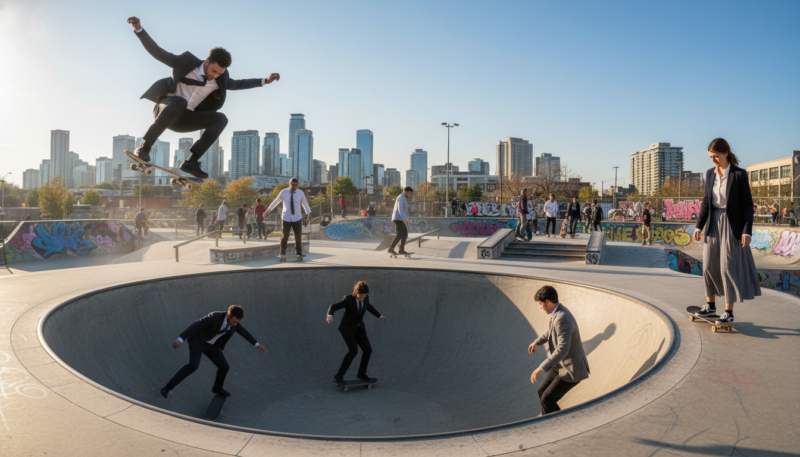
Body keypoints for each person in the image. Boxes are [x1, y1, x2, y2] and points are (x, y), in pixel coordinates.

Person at [126, 16, 280, 179]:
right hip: (165, 109)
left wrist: (265, 81)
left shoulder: (220, 79)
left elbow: (238, 84)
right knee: (180, 101)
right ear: (207, 62)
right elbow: (157, 52)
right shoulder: (185, 62)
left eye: (219, 73)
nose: (215, 76)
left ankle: (191, 162)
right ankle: (144, 147)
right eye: (214, 71)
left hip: (184, 120)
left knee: (221, 119)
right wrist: (139, 30)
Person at [693, 138, 761, 324]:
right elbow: (706, 202)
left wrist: (747, 231)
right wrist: (699, 225)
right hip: (713, 223)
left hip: (732, 225)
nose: (713, 160)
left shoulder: (739, 174)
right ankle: (710, 306)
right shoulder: (710, 174)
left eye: (716, 156)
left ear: (726, 153)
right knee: (708, 265)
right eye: (710, 157)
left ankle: (728, 312)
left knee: (727, 267)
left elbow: (747, 205)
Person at [161, 305, 264, 399]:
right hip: (197, 343)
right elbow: (196, 325)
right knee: (193, 366)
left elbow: (244, 332)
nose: (235, 324)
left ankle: (217, 388)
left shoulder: (235, 323)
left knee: (224, 367)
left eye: (237, 322)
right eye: (233, 322)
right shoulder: (214, 316)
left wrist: (257, 345)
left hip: (211, 346)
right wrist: (180, 339)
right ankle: (167, 388)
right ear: (228, 315)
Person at [528, 285, 590, 415]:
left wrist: (540, 368)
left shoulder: (563, 318)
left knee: (547, 399)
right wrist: (536, 342)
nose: (540, 307)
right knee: (541, 391)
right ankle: (554, 421)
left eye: (541, 304)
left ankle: (554, 424)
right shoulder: (557, 313)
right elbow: (551, 332)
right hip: (560, 365)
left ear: (547, 302)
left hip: (571, 369)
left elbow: (562, 350)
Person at [326, 281, 387, 384]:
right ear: (356, 292)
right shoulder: (348, 299)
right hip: (347, 328)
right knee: (353, 351)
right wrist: (330, 315)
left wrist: (380, 316)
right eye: (360, 295)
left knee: (368, 350)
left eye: (364, 295)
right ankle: (339, 375)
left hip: (358, 328)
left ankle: (361, 374)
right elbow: (333, 306)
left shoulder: (366, 298)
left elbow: (369, 307)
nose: (362, 297)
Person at [266, 178, 311, 260]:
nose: (295, 187)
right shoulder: (284, 192)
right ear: (289, 184)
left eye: (296, 185)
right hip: (286, 217)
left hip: (297, 218)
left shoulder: (300, 193)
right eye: (293, 185)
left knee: (298, 236)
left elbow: (305, 204)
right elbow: (276, 201)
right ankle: (282, 254)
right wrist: (268, 210)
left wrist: (308, 214)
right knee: (285, 236)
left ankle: (299, 254)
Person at [388, 187, 413, 256]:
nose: (410, 195)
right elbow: (400, 209)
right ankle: (390, 248)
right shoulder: (401, 198)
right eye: (410, 193)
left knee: (405, 235)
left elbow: (404, 210)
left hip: (401, 219)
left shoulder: (404, 198)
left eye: (411, 193)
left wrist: (406, 219)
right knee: (399, 234)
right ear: (405, 191)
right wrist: (404, 219)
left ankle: (401, 250)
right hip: (398, 218)